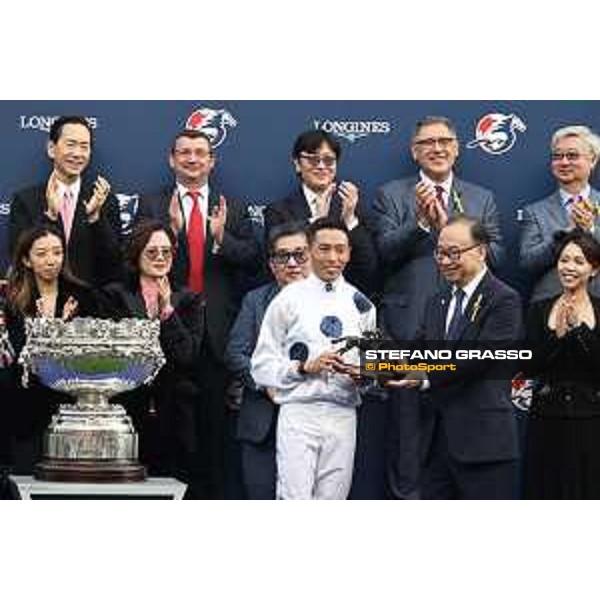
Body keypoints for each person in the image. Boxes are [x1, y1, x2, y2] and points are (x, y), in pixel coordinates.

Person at [371, 115, 505, 499]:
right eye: (427, 142)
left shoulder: (481, 198)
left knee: (462, 443)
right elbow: (382, 252)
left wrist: (455, 236)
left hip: (466, 334)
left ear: (457, 147)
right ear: (415, 152)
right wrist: (422, 224)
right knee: (407, 444)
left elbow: (500, 256)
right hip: (407, 333)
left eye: (445, 140)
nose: (437, 148)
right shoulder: (391, 194)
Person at [135, 129, 259, 498]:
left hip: (216, 335)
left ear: (212, 160)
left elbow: (253, 261)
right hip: (166, 330)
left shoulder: (231, 207)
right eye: (184, 152)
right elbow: (135, 260)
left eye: (200, 153)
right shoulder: (151, 204)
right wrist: (171, 233)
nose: (192, 159)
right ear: (172, 159)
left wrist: (222, 239)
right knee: (165, 430)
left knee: (213, 436)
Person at [389, 217, 521, 500]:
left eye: (453, 253)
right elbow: (416, 351)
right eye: (439, 252)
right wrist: (373, 366)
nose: (445, 260)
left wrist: (426, 375)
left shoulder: (504, 299)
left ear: (481, 251)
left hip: (484, 445)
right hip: (437, 444)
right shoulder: (437, 301)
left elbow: (479, 357)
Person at [251, 218, 376, 500]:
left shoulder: (363, 304)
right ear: (309, 251)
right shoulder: (287, 299)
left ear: (349, 253)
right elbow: (261, 366)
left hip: (344, 414)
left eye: (340, 249)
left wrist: (364, 375)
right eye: (324, 249)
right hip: (299, 412)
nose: (333, 257)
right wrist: (303, 367)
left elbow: (373, 368)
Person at [97, 220, 204, 497]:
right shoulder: (114, 296)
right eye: (152, 251)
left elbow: (187, 356)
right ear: (136, 253)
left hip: (174, 416)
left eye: (166, 252)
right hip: (125, 410)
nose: (160, 257)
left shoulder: (188, 300)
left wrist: (167, 311)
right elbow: (111, 355)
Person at [224, 223, 311, 499]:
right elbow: (235, 353)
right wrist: (266, 384)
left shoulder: (337, 302)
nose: (293, 263)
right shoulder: (255, 301)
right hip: (264, 424)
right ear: (272, 265)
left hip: (314, 422)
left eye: (300, 254)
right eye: (283, 256)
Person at [4, 225, 97, 473]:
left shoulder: (82, 296)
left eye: (57, 252)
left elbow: (91, 353)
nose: (51, 260)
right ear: (26, 259)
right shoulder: (12, 300)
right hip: (25, 408)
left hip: (72, 410)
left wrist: (61, 330)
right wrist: (45, 329)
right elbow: (15, 356)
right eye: (42, 253)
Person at [522, 230, 600, 499]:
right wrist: (556, 338)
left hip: (591, 424)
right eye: (564, 260)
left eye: (579, 261)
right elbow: (529, 367)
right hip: (546, 421)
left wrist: (579, 331)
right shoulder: (538, 310)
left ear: (594, 269)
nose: (569, 267)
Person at [9, 116, 123, 287]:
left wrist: (95, 219)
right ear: (51, 149)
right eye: (70, 145)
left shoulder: (104, 199)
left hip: (90, 304)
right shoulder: (25, 200)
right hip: (40, 302)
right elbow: (20, 257)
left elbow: (115, 263)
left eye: (84, 146)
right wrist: (50, 216)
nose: (77, 153)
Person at [264, 130, 378, 296]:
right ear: (297, 163)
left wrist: (349, 220)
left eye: (329, 160)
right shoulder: (278, 211)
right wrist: (317, 222)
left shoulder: (353, 207)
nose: (321, 166)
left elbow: (368, 268)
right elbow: (276, 266)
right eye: (312, 159)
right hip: (297, 300)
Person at [519, 125, 600, 302]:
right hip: (549, 307)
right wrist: (566, 232)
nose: (563, 162)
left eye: (572, 155)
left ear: (592, 160)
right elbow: (528, 263)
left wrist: (592, 230)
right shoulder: (534, 212)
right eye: (557, 156)